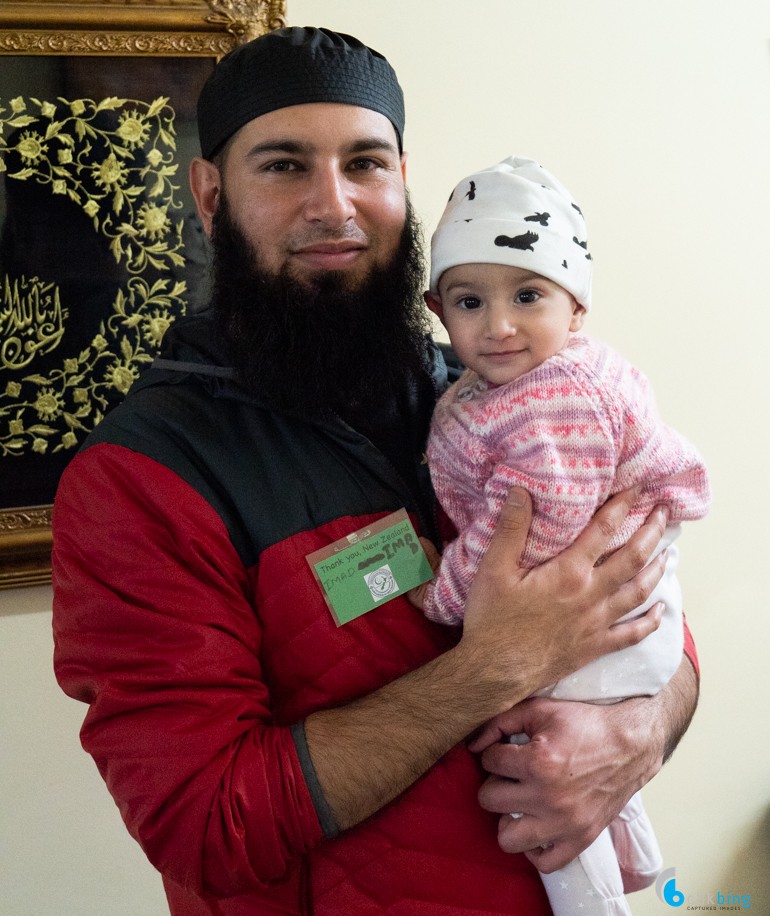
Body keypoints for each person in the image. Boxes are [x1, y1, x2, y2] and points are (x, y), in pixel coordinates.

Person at [51, 27, 700, 915]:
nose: (336, 205)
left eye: (365, 163)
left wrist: (641, 726)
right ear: (209, 195)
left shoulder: (493, 391)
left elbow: (643, 588)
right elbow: (207, 825)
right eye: (283, 165)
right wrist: (495, 666)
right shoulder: (143, 476)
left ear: (404, 178)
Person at [408, 156, 710, 914]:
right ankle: (636, 855)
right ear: (438, 309)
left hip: (613, 617)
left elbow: (535, 530)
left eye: (529, 295)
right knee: (583, 756)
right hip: (618, 607)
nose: (499, 325)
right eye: (471, 301)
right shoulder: (504, 385)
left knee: (534, 768)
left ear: (576, 307)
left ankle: (594, 902)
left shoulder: (555, 398)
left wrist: (443, 593)